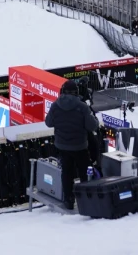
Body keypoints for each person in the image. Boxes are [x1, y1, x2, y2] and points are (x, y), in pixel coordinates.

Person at [44, 80, 99, 209]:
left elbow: (48, 123)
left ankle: (68, 200)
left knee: (67, 173)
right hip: (80, 146)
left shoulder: (55, 105)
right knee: (84, 173)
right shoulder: (83, 107)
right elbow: (92, 126)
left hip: (62, 146)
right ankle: (85, 200)